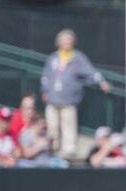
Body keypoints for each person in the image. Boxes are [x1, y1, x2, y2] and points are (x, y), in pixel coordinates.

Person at [40, 28, 111, 157]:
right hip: (53, 99)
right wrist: (45, 90)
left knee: (69, 126)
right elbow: (46, 76)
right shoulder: (53, 58)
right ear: (59, 42)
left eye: (70, 40)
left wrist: (101, 81)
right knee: (52, 126)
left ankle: (69, 151)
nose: (68, 42)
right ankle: (52, 150)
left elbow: (90, 71)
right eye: (65, 40)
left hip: (69, 100)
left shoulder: (78, 57)